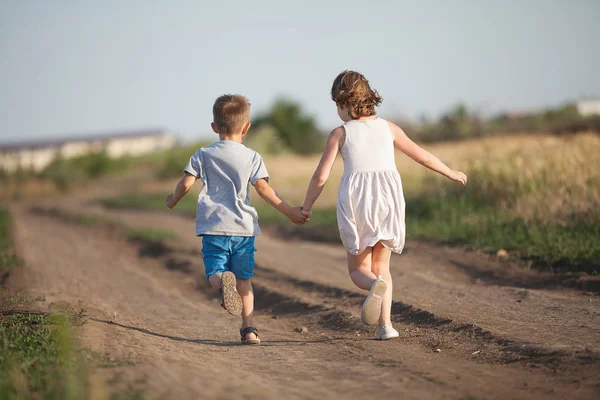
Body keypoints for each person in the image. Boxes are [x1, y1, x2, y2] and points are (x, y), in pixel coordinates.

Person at [301, 71, 467, 340]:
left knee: (358, 270)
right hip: (388, 200)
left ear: (343, 103)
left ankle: (373, 285)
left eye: (336, 105)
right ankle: (386, 326)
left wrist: (306, 206)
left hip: (358, 203)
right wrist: (449, 171)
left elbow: (321, 176)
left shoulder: (339, 134)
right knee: (383, 267)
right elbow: (422, 156)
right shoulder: (389, 128)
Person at [166, 94, 307, 345]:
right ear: (246, 128)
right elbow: (264, 190)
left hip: (214, 227)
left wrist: (172, 200)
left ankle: (222, 284)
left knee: (214, 272)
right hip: (243, 229)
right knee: (245, 281)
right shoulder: (252, 157)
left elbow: (186, 183)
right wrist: (290, 212)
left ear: (214, 127)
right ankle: (249, 329)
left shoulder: (203, 154)